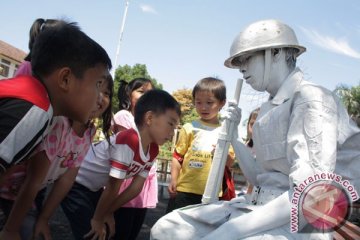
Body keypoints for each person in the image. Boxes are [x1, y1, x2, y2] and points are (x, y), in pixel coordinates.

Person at [151, 19, 360, 239]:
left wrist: (230, 231)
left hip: (299, 220)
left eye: (247, 58)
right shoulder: (267, 111)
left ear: (277, 53)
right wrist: (232, 137)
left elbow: (308, 194)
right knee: (166, 229)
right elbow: (259, 176)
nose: (241, 68)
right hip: (257, 207)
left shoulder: (312, 99)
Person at [0, 75, 113, 240]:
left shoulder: (89, 132)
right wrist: (11, 229)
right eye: (97, 87)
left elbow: (66, 179)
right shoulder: (59, 123)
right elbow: (33, 179)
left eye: (107, 93)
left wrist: (44, 219)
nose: (101, 97)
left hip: (27, 192)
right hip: (9, 185)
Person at [62, 89, 181, 240]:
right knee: (91, 233)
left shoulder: (153, 149)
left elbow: (135, 188)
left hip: (95, 189)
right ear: (149, 118)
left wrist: (108, 212)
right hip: (75, 185)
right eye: (170, 124)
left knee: (103, 231)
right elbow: (113, 186)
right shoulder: (128, 140)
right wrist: (99, 218)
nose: (172, 132)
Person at [0, 19, 112, 176]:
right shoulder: (36, 110)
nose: (99, 97)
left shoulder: (37, 103)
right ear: (65, 79)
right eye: (97, 84)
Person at [166, 77, 235, 213]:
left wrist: (222, 154)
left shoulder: (225, 132)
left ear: (222, 103)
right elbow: (177, 157)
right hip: (185, 190)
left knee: (205, 232)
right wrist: (174, 179)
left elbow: (230, 162)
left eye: (209, 102)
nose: (203, 107)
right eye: (198, 102)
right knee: (176, 229)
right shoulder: (189, 128)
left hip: (213, 193)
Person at [111, 78, 157, 240]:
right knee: (120, 229)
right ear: (129, 95)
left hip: (142, 181)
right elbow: (129, 145)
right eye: (141, 91)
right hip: (126, 179)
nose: (146, 96)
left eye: (150, 94)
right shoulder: (124, 116)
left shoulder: (151, 120)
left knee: (133, 231)